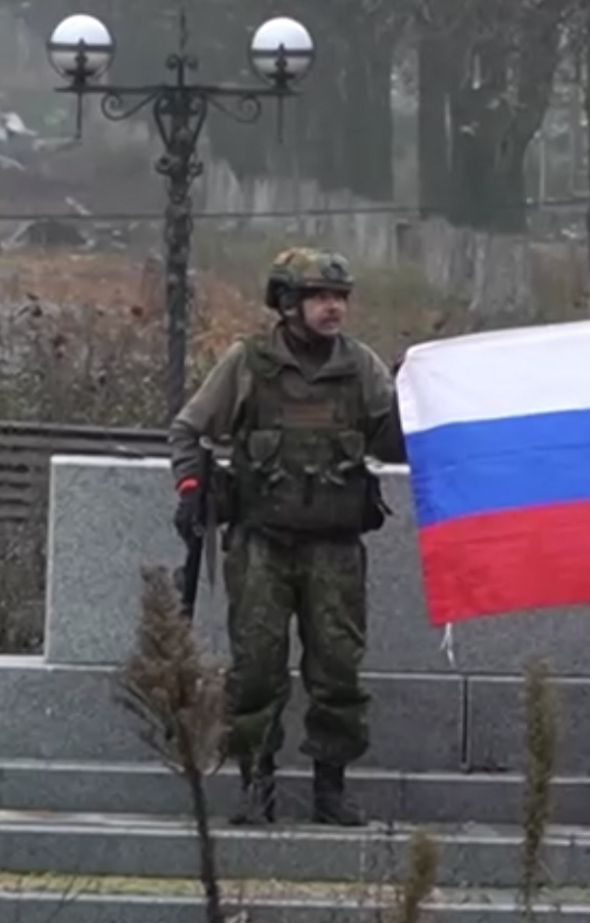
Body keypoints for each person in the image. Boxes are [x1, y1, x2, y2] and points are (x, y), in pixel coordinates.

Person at [168, 246, 406, 827]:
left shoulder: (361, 367)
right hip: (262, 545)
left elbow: (393, 445)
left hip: (335, 546)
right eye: (321, 297)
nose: (334, 309)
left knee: (338, 670)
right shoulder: (249, 363)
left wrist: (417, 401)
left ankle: (331, 789)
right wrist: (191, 487)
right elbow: (188, 429)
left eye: (341, 297)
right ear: (289, 303)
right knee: (255, 669)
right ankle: (256, 784)